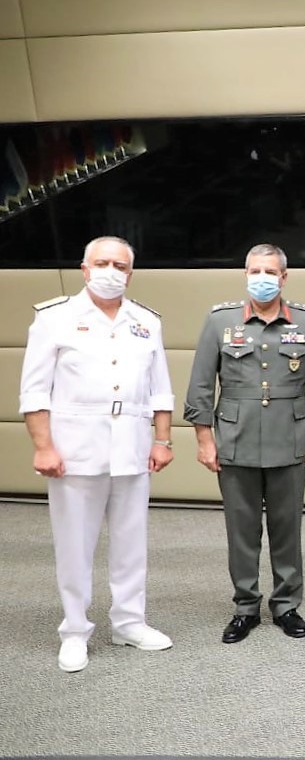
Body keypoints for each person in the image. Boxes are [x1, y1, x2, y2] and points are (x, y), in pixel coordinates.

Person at [19, 236, 175, 672]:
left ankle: (129, 622)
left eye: (120, 266)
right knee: (74, 545)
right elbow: (34, 390)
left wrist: (162, 440)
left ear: (131, 274)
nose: (111, 272)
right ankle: (74, 630)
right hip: (74, 449)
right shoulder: (55, 317)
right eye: (102, 263)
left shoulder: (146, 321)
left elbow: (160, 387)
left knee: (131, 543)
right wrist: (43, 446)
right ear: (85, 269)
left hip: (132, 446)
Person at [184, 243, 305, 643]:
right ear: (245, 274)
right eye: (255, 271)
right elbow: (201, 385)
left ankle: (286, 605)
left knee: (287, 527)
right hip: (236, 440)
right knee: (242, 529)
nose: (262, 279)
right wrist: (204, 439)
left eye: (270, 272)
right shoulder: (220, 321)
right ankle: (246, 607)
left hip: (291, 440)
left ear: (284, 277)